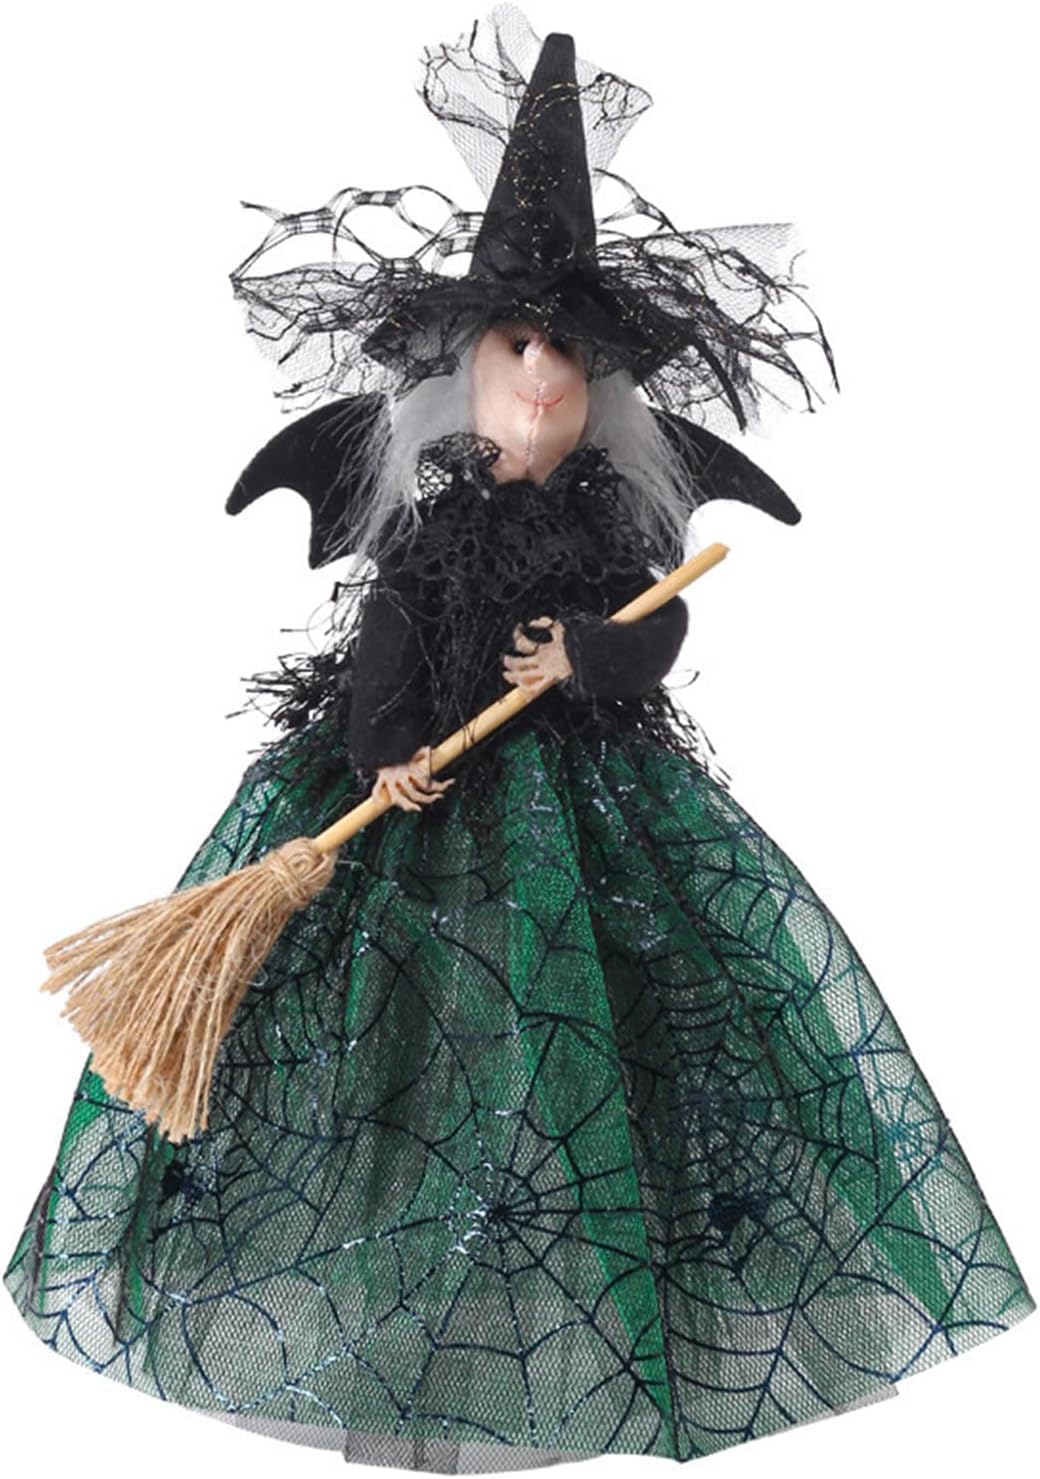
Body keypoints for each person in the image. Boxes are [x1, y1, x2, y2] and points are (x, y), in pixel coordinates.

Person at [4, 6, 1033, 1473]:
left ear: (601, 387)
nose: (542, 371)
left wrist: (586, 655)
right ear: (467, 366)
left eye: (565, 352)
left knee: (612, 1036)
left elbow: (658, 627)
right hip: (412, 810)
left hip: (598, 806)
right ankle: (389, 1277)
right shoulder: (429, 531)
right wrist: (384, 748)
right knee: (392, 1041)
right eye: (516, 343)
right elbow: (386, 640)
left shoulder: (612, 530)